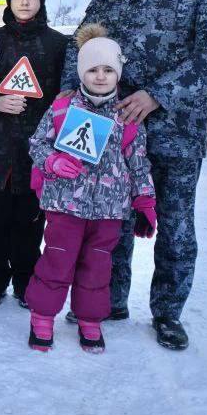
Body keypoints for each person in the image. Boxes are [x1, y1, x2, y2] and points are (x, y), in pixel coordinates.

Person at [62, 0, 207, 350]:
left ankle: (167, 313)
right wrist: (67, 99)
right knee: (110, 219)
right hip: (114, 128)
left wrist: (157, 95)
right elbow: (84, 42)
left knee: (175, 225)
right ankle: (109, 301)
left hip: (176, 131)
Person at [26, 24, 156, 353]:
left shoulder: (127, 116)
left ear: (118, 74)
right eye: (93, 69)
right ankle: (42, 316)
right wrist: (53, 162)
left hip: (109, 210)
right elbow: (37, 144)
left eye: (108, 70)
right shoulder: (62, 109)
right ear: (81, 72)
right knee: (57, 260)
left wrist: (144, 202)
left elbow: (138, 162)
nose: (100, 76)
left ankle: (90, 320)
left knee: (97, 268)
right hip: (65, 205)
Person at [0, 0, 68, 308]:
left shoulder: (58, 45)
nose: (25, 2)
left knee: (29, 225)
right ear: (9, 1)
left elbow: (66, 97)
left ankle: (25, 281)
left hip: (36, 155)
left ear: (42, 1)